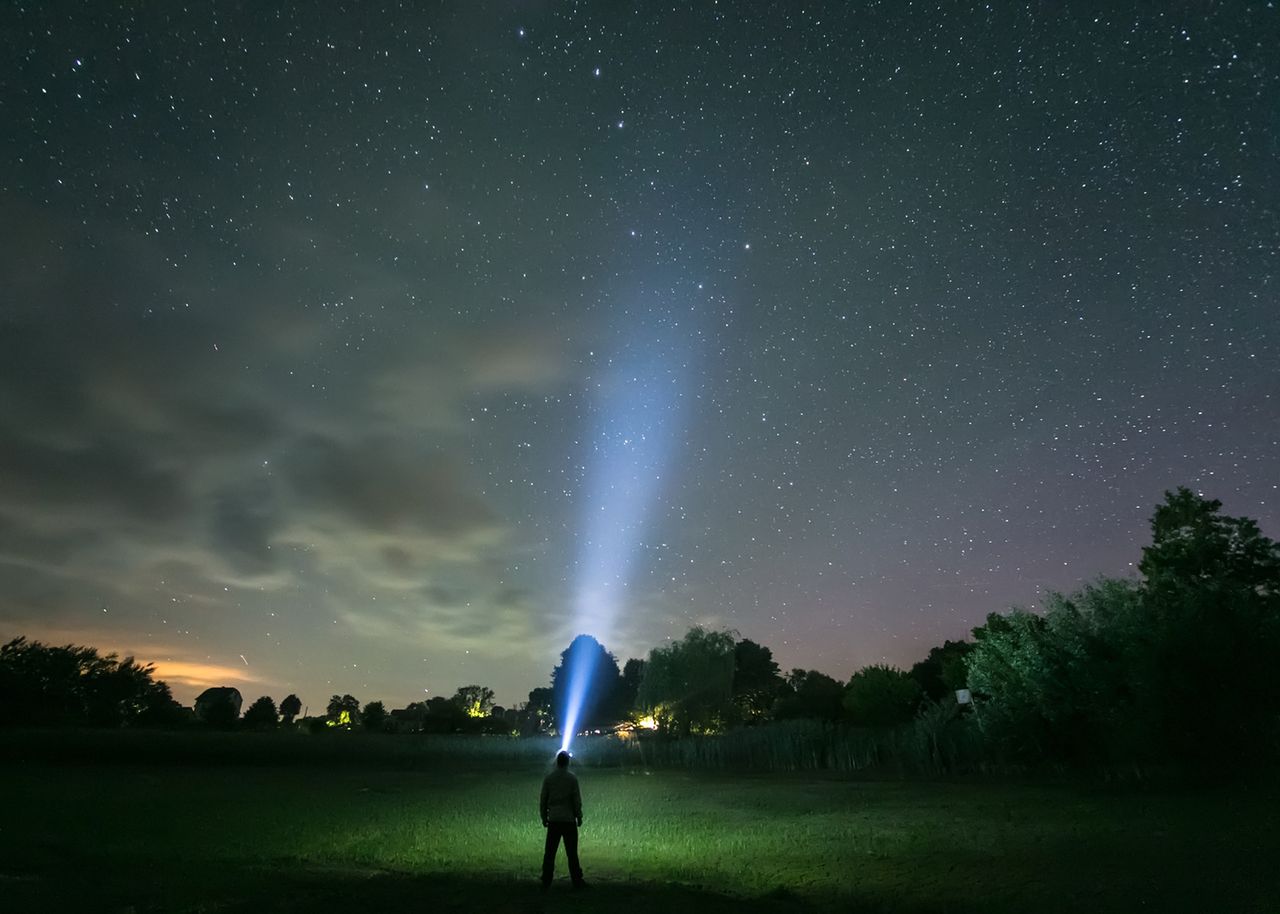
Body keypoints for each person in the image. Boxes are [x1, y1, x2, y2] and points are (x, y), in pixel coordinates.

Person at [539, 749, 586, 889]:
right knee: (572, 853)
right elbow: (576, 799)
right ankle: (577, 880)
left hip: (554, 819)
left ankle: (546, 880)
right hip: (568, 820)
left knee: (550, 852)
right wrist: (579, 816)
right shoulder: (572, 778)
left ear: (557, 762)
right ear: (568, 762)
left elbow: (543, 799)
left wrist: (544, 816)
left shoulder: (549, 778)